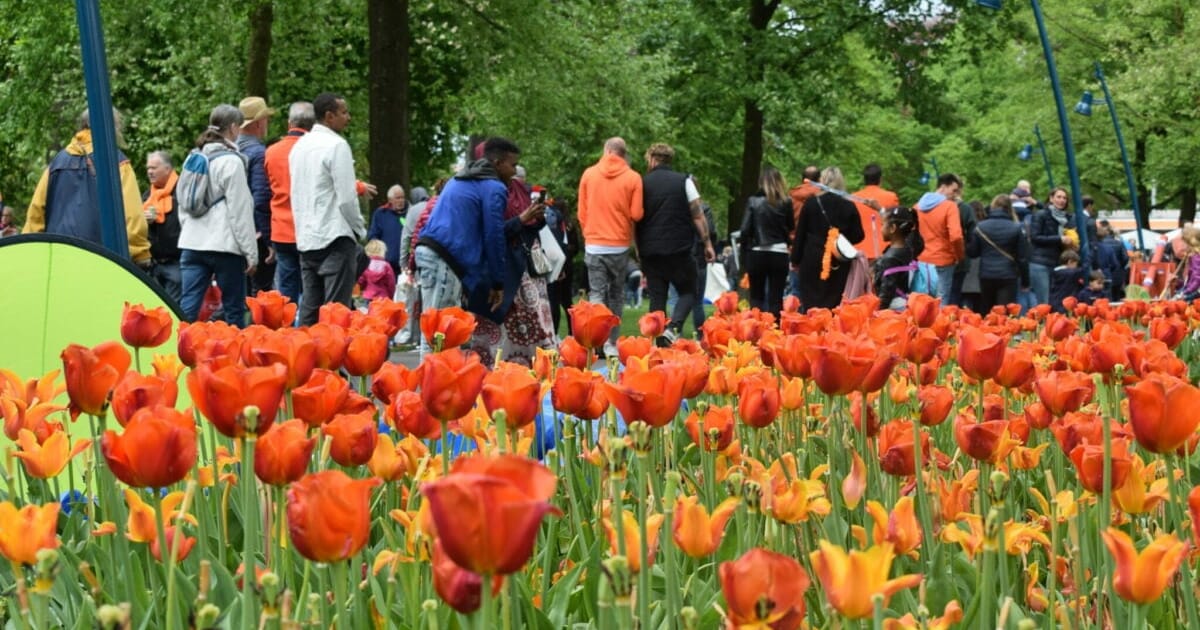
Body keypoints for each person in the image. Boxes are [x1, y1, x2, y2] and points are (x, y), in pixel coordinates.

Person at [23, 107, 151, 266]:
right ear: (113, 127)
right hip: (102, 256)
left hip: (58, 256)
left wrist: (30, 250)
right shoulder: (116, 162)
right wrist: (139, 253)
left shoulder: (56, 163)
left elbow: (36, 213)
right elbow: (132, 215)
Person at [415, 138, 517, 327]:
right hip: (446, 258)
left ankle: (432, 357)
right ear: (497, 163)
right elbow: (494, 236)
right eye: (513, 165)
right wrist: (497, 283)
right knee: (440, 330)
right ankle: (435, 358)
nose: (515, 171)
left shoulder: (460, 179)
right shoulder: (494, 188)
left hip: (429, 249)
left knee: (432, 327)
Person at [464, 159, 556, 368]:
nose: (515, 175)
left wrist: (537, 219)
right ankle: (501, 370)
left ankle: (533, 367)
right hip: (502, 270)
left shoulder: (519, 191)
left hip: (526, 269)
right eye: (512, 167)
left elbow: (529, 230)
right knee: (503, 325)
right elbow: (492, 233)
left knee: (533, 323)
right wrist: (521, 220)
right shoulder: (490, 194)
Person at [289, 93, 371, 326]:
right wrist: (359, 229)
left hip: (306, 239)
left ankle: (301, 358)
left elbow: (297, 194)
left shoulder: (299, 147)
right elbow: (346, 198)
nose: (349, 117)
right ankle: (330, 362)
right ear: (329, 116)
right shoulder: (337, 146)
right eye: (344, 112)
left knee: (310, 309)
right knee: (335, 313)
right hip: (334, 236)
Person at [177, 104, 258, 326]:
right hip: (225, 247)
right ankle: (232, 358)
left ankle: (180, 355)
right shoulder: (232, 162)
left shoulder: (193, 157)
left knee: (187, 309)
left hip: (192, 243)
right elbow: (239, 211)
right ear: (233, 128)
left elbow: (183, 204)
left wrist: (190, 229)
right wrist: (251, 253)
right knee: (234, 310)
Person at [638, 143, 715, 344]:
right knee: (689, 290)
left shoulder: (642, 183)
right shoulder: (684, 182)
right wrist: (707, 243)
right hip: (678, 248)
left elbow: (635, 217)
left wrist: (638, 250)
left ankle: (656, 339)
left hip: (651, 250)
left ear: (651, 159)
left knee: (657, 297)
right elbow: (698, 214)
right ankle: (673, 328)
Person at [577, 137, 644, 356]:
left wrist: (589, 233)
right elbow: (636, 214)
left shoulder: (589, 174)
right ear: (624, 154)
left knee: (596, 294)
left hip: (594, 244)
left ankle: (595, 339)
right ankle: (611, 343)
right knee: (616, 293)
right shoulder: (633, 178)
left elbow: (581, 213)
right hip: (619, 245)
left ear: (606, 150)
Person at [790, 167, 864, 312]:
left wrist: (795, 260)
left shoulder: (811, 204)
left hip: (812, 259)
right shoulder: (849, 206)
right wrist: (842, 239)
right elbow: (859, 235)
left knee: (812, 304)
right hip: (838, 261)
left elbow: (801, 234)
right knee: (834, 304)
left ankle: (812, 332)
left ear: (821, 182)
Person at [264, 101, 315, 309]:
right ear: (312, 125)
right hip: (309, 230)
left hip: (281, 230)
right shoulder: (314, 150)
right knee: (311, 287)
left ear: (289, 123)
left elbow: (266, 189)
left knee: (286, 289)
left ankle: (286, 332)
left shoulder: (272, 152)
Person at [738, 165, 793, 316]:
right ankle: (775, 331)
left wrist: (744, 252)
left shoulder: (753, 201)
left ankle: (757, 329)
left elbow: (744, 230)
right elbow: (791, 226)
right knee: (776, 298)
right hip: (779, 252)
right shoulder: (786, 202)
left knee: (756, 297)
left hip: (757, 252)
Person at [238, 96, 276, 294]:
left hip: (232, 235)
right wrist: (269, 240)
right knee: (260, 295)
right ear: (259, 123)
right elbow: (261, 199)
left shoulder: (229, 149)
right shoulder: (259, 153)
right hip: (256, 235)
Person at [967, 195, 1030, 314]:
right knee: (1004, 312)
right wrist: (1025, 281)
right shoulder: (1016, 228)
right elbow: (1022, 258)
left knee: (987, 310)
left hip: (986, 274)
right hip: (1008, 274)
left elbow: (973, 253)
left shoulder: (981, 227)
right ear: (1009, 208)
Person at [914, 174, 965, 300]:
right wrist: (959, 256)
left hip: (921, 260)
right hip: (943, 260)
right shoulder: (950, 206)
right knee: (941, 300)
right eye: (953, 190)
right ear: (943, 187)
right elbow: (956, 236)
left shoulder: (916, 207)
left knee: (921, 301)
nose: (955, 195)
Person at [141, 150, 183, 303]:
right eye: (148, 168)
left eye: (154, 168)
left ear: (167, 169)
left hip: (177, 263)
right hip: (155, 265)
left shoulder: (181, 192)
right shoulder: (147, 196)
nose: (150, 172)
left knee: (173, 308)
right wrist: (144, 220)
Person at [1029, 187, 1078, 306]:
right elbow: (1035, 237)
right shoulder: (1040, 215)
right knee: (1043, 300)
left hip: (1058, 262)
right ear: (1051, 198)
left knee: (1054, 300)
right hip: (1040, 261)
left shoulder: (1068, 218)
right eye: (1059, 197)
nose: (1062, 200)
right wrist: (1059, 239)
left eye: (1064, 198)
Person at [395, 185, 430, 344]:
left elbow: (406, 238)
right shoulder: (436, 204)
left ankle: (414, 336)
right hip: (440, 257)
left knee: (415, 300)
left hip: (419, 258)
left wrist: (403, 263)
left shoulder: (414, 210)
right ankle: (428, 336)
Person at [873, 206, 923, 311]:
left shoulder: (890, 258)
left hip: (893, 308)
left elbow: (887, 291)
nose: (881, 229)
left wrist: (878, 312)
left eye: (882, 225)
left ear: (892, 228)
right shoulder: (909, 248)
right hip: (905, 302)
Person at [545, 197, 581, 337]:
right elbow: (576, 246)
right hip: (568, 265)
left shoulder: (554, 226)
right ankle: (573, 331)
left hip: (556, 265)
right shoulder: (570, 224)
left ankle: (554, 332)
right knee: (567, 301)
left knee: (554, 300)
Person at [851, 163, 900, 262]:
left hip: (859, 251)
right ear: (880, 179)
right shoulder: (891, 197)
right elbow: (896, 222)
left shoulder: (853, 198)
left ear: (864, 179)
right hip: (884, 251)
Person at [368, 185, 407, 274]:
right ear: (390, 200)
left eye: (402, 197)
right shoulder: (381, 214)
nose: (401, 201)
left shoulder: (409, 213)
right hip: (385, 264)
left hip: (405, 265)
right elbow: (373, 236)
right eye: (397, 198)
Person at [1096, 220, 1129, 300]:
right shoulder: (1119, 243)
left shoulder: (1098, 244)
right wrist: (1121, 267)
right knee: (1116, 296)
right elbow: (1125, 258)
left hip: (1101, 274)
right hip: (1117, 273)